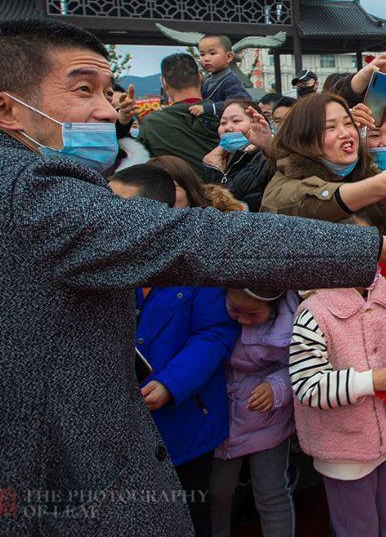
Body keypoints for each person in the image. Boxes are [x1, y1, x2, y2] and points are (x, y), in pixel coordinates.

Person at [0, 19, 386, 536]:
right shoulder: (21, 187)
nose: (105, 108)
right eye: (82, 90)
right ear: (3, 110)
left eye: (108, 87)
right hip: (22, 473)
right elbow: (200, 238)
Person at [110, 169, 240, 536]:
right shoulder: (104, 263)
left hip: (185, 419)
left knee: (189, 513)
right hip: (120, 423)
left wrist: (172, 382)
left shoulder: (197, 264)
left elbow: (215, 333)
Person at [290, 216, 386, 537]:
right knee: (359, 527)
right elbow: (306, 384)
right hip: (342, 446)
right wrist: (368, 382)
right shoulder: (314, 311)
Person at [261, 92, 386, 233]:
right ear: (304, 138)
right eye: (330, 127)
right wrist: (380, 186)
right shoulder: (282, 187)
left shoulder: (369, 174)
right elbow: (305, 202)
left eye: (348, 123)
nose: (345, 133)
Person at [210, 289, 299, 537]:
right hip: (222, 415)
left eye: (253, 314)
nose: (242, 320)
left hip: (268, 418)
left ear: (273, 309)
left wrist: (276, 388)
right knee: (217, 493)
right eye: (234, 310)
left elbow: (299, 367)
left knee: (272, 493)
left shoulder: (289, 324)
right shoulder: (211, 310)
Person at [139, 52, 224, 176]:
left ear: (164, 82)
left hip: (179, 192)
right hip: (228, 193)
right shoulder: (229, 114)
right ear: (201, 76)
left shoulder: (152, 123)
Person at [202, 99, 274, 211]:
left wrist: (268, 147)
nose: (227, 128)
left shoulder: (267, 158)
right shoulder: (210, 162)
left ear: (256, 123)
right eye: (223, 122)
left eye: (236, 121)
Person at [192, 35, 251, 119]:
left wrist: (208, 108)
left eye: (212, 53)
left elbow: (240, 102)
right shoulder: (207, 80)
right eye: (202, 54)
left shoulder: (231, 80)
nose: (206, 58)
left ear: (229, 57)